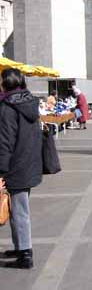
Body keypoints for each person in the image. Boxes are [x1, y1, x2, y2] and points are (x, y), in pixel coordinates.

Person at [0, 68, 43, 269]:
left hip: (16, 166)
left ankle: (25, 255)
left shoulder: (8, 106)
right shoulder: (29, 102)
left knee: (19, 211)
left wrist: (1, 170)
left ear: (5, 84)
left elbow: (5, 142)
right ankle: (21, 248)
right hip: (29, 164)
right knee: (18, 209)